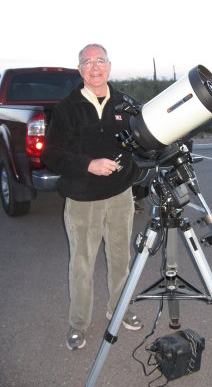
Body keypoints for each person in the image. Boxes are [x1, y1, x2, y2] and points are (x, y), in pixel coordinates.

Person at [41, 43, 143, 350]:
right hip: (82, 200)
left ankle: (118, 308)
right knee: (82, 264)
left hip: (121, 197)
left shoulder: (125, 103)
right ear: (80, 69)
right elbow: (51, 154)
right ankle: (79, 323)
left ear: (109, 66)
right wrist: (88, 165)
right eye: (88, 62)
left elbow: (142, 140)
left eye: (100, 61)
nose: (94, 67)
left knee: (120, 258)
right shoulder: (66, 108)